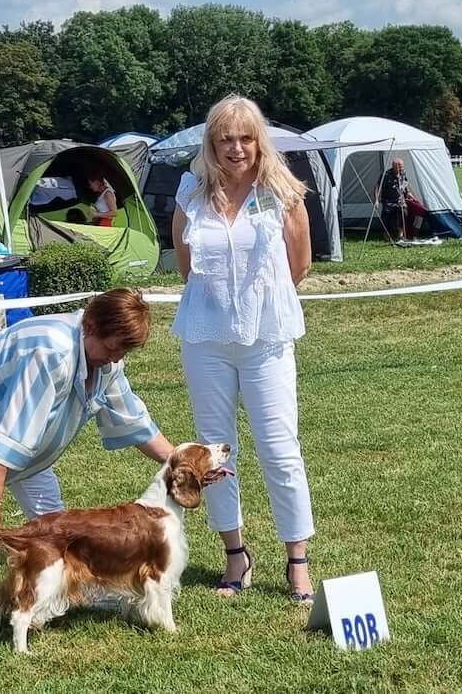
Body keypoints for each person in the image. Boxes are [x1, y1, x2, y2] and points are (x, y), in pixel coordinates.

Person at [0, 289, 189, 652]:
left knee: (53, 520)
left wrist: (182, 462)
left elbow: (134, 422)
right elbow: (10, 433)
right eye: (113, 348)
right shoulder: (51, 350)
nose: (116, 358)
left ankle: (78, 587)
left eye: (123, 352)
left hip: (26, 441)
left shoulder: (107, 362)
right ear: (91, 326)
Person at [171, 95, 317, 606]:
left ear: (260, 141)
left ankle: (297, 560)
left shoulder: (283, 194)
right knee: (213, 450)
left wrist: (258, 303)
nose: (236, 148)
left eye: (245, 138)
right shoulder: (190, 193)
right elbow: (186, 267)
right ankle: (236, 554)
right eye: (225, 139)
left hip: (267, 340)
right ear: (212, 144)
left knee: (280, 450)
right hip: (206, 340)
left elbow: (300, 265)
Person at [378, 158, 410, 241]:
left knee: (404, 212)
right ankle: (386, 234)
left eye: (402, 167)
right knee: (386, 215)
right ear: (394, 167)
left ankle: (400, 234)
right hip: (388, 200)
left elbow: (405, 185)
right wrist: (376, 200)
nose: (401, 169)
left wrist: (408, 194)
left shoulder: (403, 173)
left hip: (399, 200)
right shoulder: (386, 175)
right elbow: (377, 187)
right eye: (399, 167)